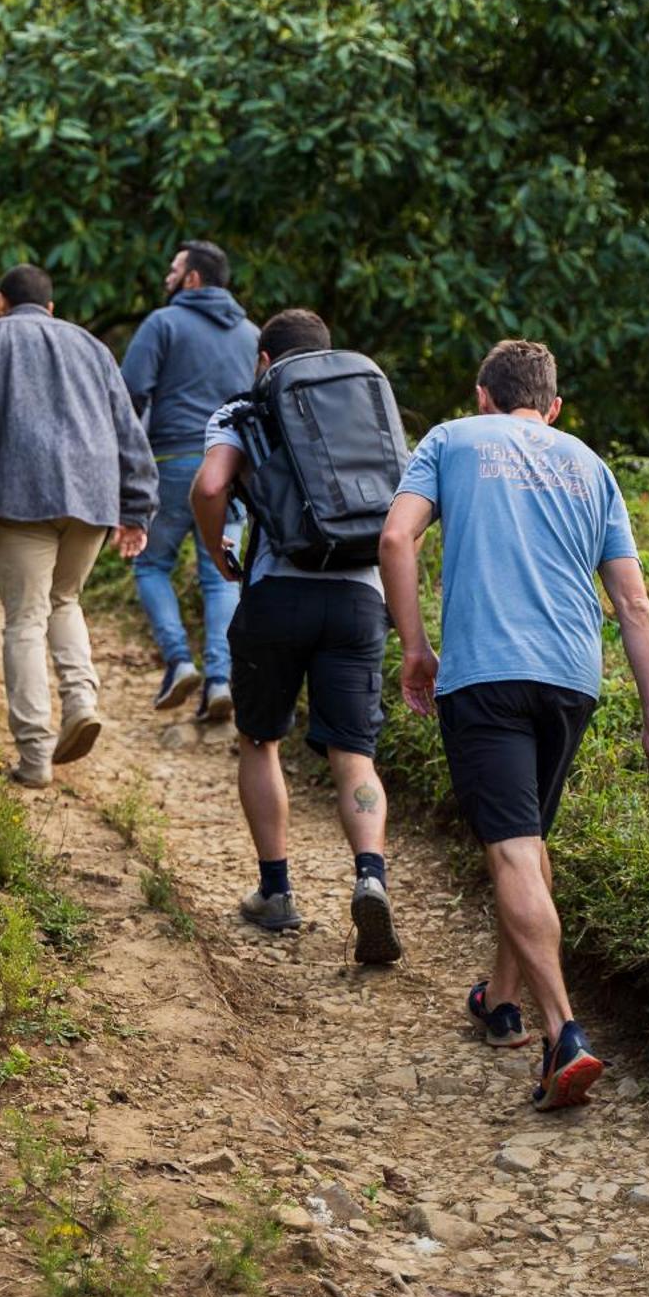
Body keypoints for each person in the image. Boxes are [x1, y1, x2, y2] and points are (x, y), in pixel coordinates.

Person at [379, 338, 649, 1110]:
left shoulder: (450, 439)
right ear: (550, 407)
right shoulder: (588, 463)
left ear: (482, 395)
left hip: (486, 674)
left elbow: (393, 538)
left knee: (512, 849)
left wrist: (415, 648)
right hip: (572, 681)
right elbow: (634, 603)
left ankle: (564, 1034)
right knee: (526, 842)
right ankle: (499, 1002)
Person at [190, 308, 401, 962]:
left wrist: (216, 544)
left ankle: (275, 891)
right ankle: (369, 874)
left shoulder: (240, 409)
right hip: (360, 596)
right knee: (353, 754)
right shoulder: (363, 404)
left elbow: (209, 485)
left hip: (278, 592)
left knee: (259, 739)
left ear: (265, 361)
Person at [0, 263, 158, 787]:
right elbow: (127, 428)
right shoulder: (91, 346)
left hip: (22, 493)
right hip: (93, 494)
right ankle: (81, 699)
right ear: (51, 307)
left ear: (1, 302)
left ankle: (36, 757)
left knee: (25, 618)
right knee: (65, 601)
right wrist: (137, 506)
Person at [121, 239, 260, 726]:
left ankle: (180, 662)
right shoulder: (251, 335)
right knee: (222, 575)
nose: (167, 277)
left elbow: (129, 392)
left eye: (174, 269)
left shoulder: (163, 324)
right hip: (233, 471)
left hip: (171, 463)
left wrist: (124, 474)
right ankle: (220, 681)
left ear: (193, 279)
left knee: (151, 565)